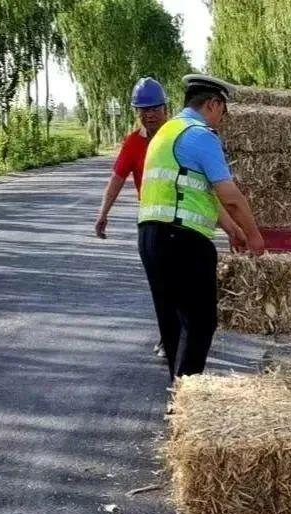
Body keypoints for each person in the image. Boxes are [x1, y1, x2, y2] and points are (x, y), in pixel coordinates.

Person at [137, 73, 265, 380]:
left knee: (174, 325)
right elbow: (230, 196)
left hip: (152, 237)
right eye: (223, 111)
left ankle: (179, 393)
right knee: (200, 323)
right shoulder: (201, 135)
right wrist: (254, 236)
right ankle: (188, 395)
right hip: (182, 240)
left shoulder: (167, 132)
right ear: (213, 104)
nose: (222, 119)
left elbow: (198, 192)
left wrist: (232, 230)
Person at [92, 77, 169, 358]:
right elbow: (117, 179)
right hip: (151, 223)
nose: (149, 115)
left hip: (182, 223)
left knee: (179, 284)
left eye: (155, 109)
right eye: (143, 110)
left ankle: (180, 335)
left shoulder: (179, 136)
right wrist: (103, 213)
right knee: (160, 285)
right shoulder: (133, 142)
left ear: (166, 108)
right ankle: (167, 336)